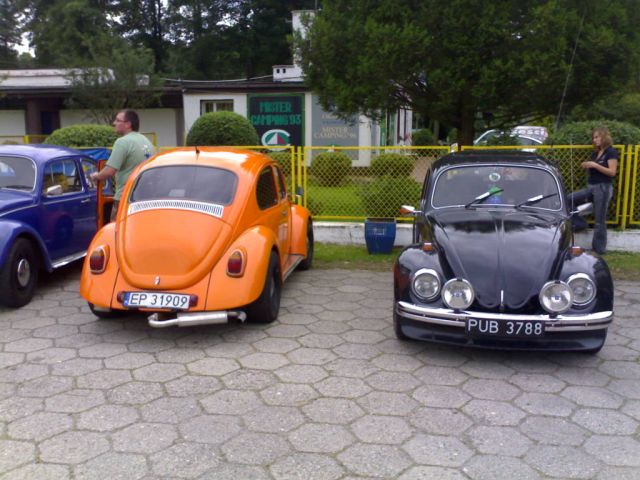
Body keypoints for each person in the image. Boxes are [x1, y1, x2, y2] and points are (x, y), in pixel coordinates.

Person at [90, 110, 154, 221]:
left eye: (118, 120)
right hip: (146, 197)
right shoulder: (146, 142)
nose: (114, 123)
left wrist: (96, 176)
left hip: (125, 198)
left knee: (118, 229)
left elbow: (110, 171)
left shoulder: (122, 142)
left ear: (128, 124)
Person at [568, 126, 618, 254]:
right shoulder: (596, 153)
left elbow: (612, 172)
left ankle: (599, 249)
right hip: (591, 187)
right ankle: (580, 224)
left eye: (597, 137)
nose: (594, 140)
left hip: (603, 188)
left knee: (599, 220)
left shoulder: (611, 152)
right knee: (569, 199)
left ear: (604, 137)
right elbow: (594, 166)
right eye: (594, 138)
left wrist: (595, 165)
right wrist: (587, 165)